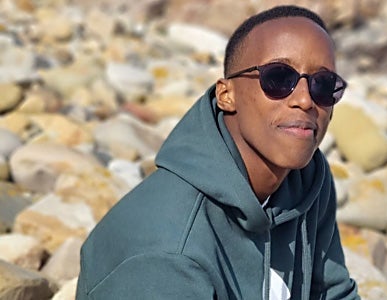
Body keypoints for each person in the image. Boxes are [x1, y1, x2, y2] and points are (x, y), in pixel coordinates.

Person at [76, 5, 359, 300]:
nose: (304, 99)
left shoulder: (307, 181)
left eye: (324, 85)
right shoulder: (168, 254)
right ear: (226, 95)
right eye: (278, 78)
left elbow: (333, 294)